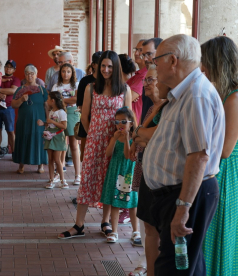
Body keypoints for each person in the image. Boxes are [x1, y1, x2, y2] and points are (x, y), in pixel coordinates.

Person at [143, 34, 225, 276]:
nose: (153, 64)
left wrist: (183, 208)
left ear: (173, 60)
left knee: (172, 267)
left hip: (186, 194)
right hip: (176, 194)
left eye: (157, 59)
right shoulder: (183, 93)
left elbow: (199, 156)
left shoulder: (195, 95)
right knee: (186, 265)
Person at [58, 50, 132, 239]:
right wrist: (92, 136)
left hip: (115, 142)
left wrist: (123, 139)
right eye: (103, 66)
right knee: (87, 179)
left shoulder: (124, 89)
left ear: (116, 69)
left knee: (109, 179)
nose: (106, 70)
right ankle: (79, 224)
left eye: (110, 66)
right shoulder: (91, 87)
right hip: (94, 140)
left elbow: (129, 118)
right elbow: (84, 116)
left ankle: (105, 222)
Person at [201, 36, 238, 276]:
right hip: (218, 170)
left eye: (205, 61)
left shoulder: (234, 97)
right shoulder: (222, 92)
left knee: (220, 232)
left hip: (226, 174)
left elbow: (225, 150)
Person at [128, 65, 169, 276]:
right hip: (145, 166)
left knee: (155, 224)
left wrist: (140, 134)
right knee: (147, 221)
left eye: (152, 79)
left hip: (158, 171)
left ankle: (147, 264)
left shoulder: (167, 107)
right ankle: (146, 263)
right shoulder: (152, 107)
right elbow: (138, 135)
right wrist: (139, 135)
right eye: (146, 80)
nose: (146, 84)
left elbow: (145, 134)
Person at [100, 107, 138, 243]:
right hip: (115, 172)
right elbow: (108, 153)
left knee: (132, 202)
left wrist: (127, 139)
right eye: (117, 122)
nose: (120, 125)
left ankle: (135, 231)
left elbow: (128, 156)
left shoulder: (134, 140)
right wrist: (114, 140)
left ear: (131, 123)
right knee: (115, 202)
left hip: (128, 173)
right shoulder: (114, 137)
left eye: (124, 121)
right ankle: (114, 231)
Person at [11, 65, 48, 174]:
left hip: (39, 121)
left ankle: (40, 165)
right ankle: (21, 165)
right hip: (24, 121)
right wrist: (21, 99)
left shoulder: (42, 90)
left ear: (36, 75)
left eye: (32, 73)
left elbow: (46, 106)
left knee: (39, 141)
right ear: (25, 75)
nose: (29, 75)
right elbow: (13, 105)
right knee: (23, 140)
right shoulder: (20, 89)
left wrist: (47, 121)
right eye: (27, 73)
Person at [51, 63, 81, 185]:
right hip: (59, 114)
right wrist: (66, 101)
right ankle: (58, 173)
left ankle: (77, 175)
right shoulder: (56, 85)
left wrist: (61, 100)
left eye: (68, 71)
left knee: (74, 145)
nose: (66, 74)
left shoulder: (77, 85)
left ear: (72, 73)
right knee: (59, 145)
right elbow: (52, 101)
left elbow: (77, 99)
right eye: (63, 71)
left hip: (72, 114)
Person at [117, 53, 138, 224]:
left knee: (129, 173)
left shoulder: (128, 86)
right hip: (126, 129)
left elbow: (129, 109)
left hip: (130, 129)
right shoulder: (127, 84)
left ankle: (128, 209)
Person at [0, 60, 20, 161]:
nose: (8, 69)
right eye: (6, 66)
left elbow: (13, 90)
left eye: (10, 67)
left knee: (10, 131)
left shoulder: (15, 79)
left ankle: (14, 153)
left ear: (14, 69)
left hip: (9, 108)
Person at [76, 51, 102, 161]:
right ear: (93, 65)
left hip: (103, 122)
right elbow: (80, 104)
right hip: (88, 120)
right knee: (86, 156)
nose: (103, 67)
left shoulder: (109, 81)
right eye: (101, 64)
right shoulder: (85, 81)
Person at [44, 91, 68, 189]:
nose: (47, 101)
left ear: (53, 101)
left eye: (48, 99)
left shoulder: (61, 112)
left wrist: (52, 121)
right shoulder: (51, 111)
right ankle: (51, 179)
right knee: (50, 159)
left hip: (58, 136)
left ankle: (62, 180)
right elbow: (50, 124)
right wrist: (44, 123)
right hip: (50, 136)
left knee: (57, 160)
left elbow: (64, 126)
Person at [139, 38, 162, 122]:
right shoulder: (146, 78)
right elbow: (144, 108)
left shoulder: (165, 83)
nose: (145, 59)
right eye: (143, 55)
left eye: (149, 54)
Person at [126, 39, 147, 124]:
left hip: (134, 123)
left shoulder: (145, 75)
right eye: (136, 50)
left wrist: (127, 95)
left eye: (140, 50)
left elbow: (125, 98)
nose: (136, 53)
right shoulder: (136, 76)